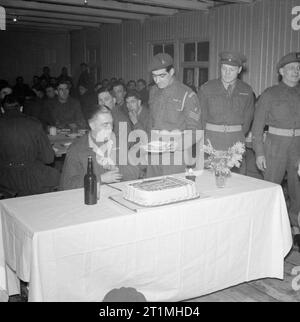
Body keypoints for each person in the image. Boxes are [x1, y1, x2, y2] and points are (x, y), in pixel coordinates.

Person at [252, 52, 300, 245]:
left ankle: (295, 227)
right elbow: (257, 127)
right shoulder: (270, 94)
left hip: (297, 147)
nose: (296, 72)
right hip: (275, 146)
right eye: (291, 68)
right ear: (281, 71)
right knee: (271, 188)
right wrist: (260, 152)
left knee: (297, 190)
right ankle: (266, 228)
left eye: (298, 68)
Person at [198, 51, 255, 174]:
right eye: (224, 68)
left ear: (239, 70)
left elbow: (247, 120)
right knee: (210, 177)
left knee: (236, 179)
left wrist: (236, 133)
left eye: (232, 69)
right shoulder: (207, 88)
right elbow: (201, 118)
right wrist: (203, 141)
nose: (227, 73)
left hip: (235, 141)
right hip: (211, 140)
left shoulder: (246, 90)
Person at [147, 53, 202, 177]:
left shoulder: (187, 95)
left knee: (170, 190)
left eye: (162, 76)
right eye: (154, 76)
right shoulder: (153, 91)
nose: (157, 80)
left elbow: (195, 131)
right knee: (153, 187)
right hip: (154, 151)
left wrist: (175, 146)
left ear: (171, 71)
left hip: (175, 154)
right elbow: (151, 121)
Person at [60, 105, 139, 190]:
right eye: (105, 124)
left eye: (111, 123)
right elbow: (67, 185)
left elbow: (135, 174)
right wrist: (100, 179)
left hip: (115, 194)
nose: (110, 128)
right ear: (92, 125)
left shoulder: (118, 143)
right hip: (89, 198)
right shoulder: (77, 149)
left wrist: (118, 168)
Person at [0, 95, 59, 196]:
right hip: (31, 177)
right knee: (59, 176)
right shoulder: (34, 124)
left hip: (4, 178)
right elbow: (49, 158)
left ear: (2, 109)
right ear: (21, 108)